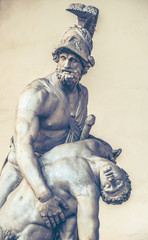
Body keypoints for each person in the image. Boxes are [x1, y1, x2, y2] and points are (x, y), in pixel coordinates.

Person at [0, 4, 100, 226]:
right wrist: (43, 196)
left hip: (58, 170)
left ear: (85, 66)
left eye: (74, 60)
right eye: (63, 57)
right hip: (23, 170)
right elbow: (24, 147)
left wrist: (100, 149)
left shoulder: (83, 93)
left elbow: (74, 138)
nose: (66, 64)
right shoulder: (37, 94)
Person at [0, 139, 131, 240]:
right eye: (118, 182)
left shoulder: (87, 189)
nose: (111, 180)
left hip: (26, 234)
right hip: (5, 218)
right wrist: (108, 151)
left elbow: (89, 227)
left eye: (108, 187)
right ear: (122, 171)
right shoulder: (94, 146)